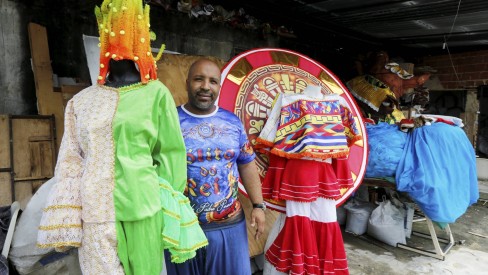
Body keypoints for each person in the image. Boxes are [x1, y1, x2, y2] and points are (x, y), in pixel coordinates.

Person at [36, 0, 207, 274]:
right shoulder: (81, 102)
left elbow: (171, 155)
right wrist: (67, 214)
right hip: (94, 214)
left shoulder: (156, 94)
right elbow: (70, 161)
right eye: (115, 29)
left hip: (143, 209)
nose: (122, 39)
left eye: (130, 29)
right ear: (104, 36)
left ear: (142, 33)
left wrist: (169, 207)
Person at [164, 58, 266, 275]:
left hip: (229, 227)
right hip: (184, 227)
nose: (205, 86)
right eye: (198, 79)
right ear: (187, 82)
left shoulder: (232, 123)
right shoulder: (168, 121)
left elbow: (247, 164)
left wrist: (258, 206)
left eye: (212, 81)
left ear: (219, 86)